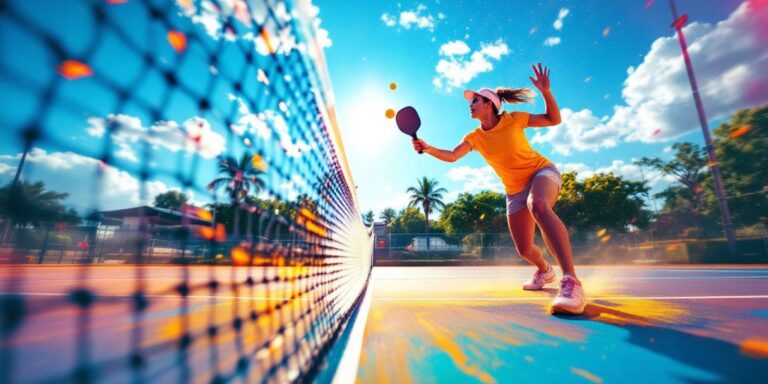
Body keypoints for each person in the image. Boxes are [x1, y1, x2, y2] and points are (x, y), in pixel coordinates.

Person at [412, 63, 586, 315]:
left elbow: (553, 119)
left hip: (541, 172)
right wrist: (427, 148)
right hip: (514, 190)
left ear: (490, 104)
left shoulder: (514, 119)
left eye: (476, 100)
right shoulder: (475, 137)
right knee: (525, 249)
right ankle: (545, 271)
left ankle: (571, 281)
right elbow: (452, 155)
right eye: (471, 101)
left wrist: (546, 93)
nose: (470, 104)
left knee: (537, 205)